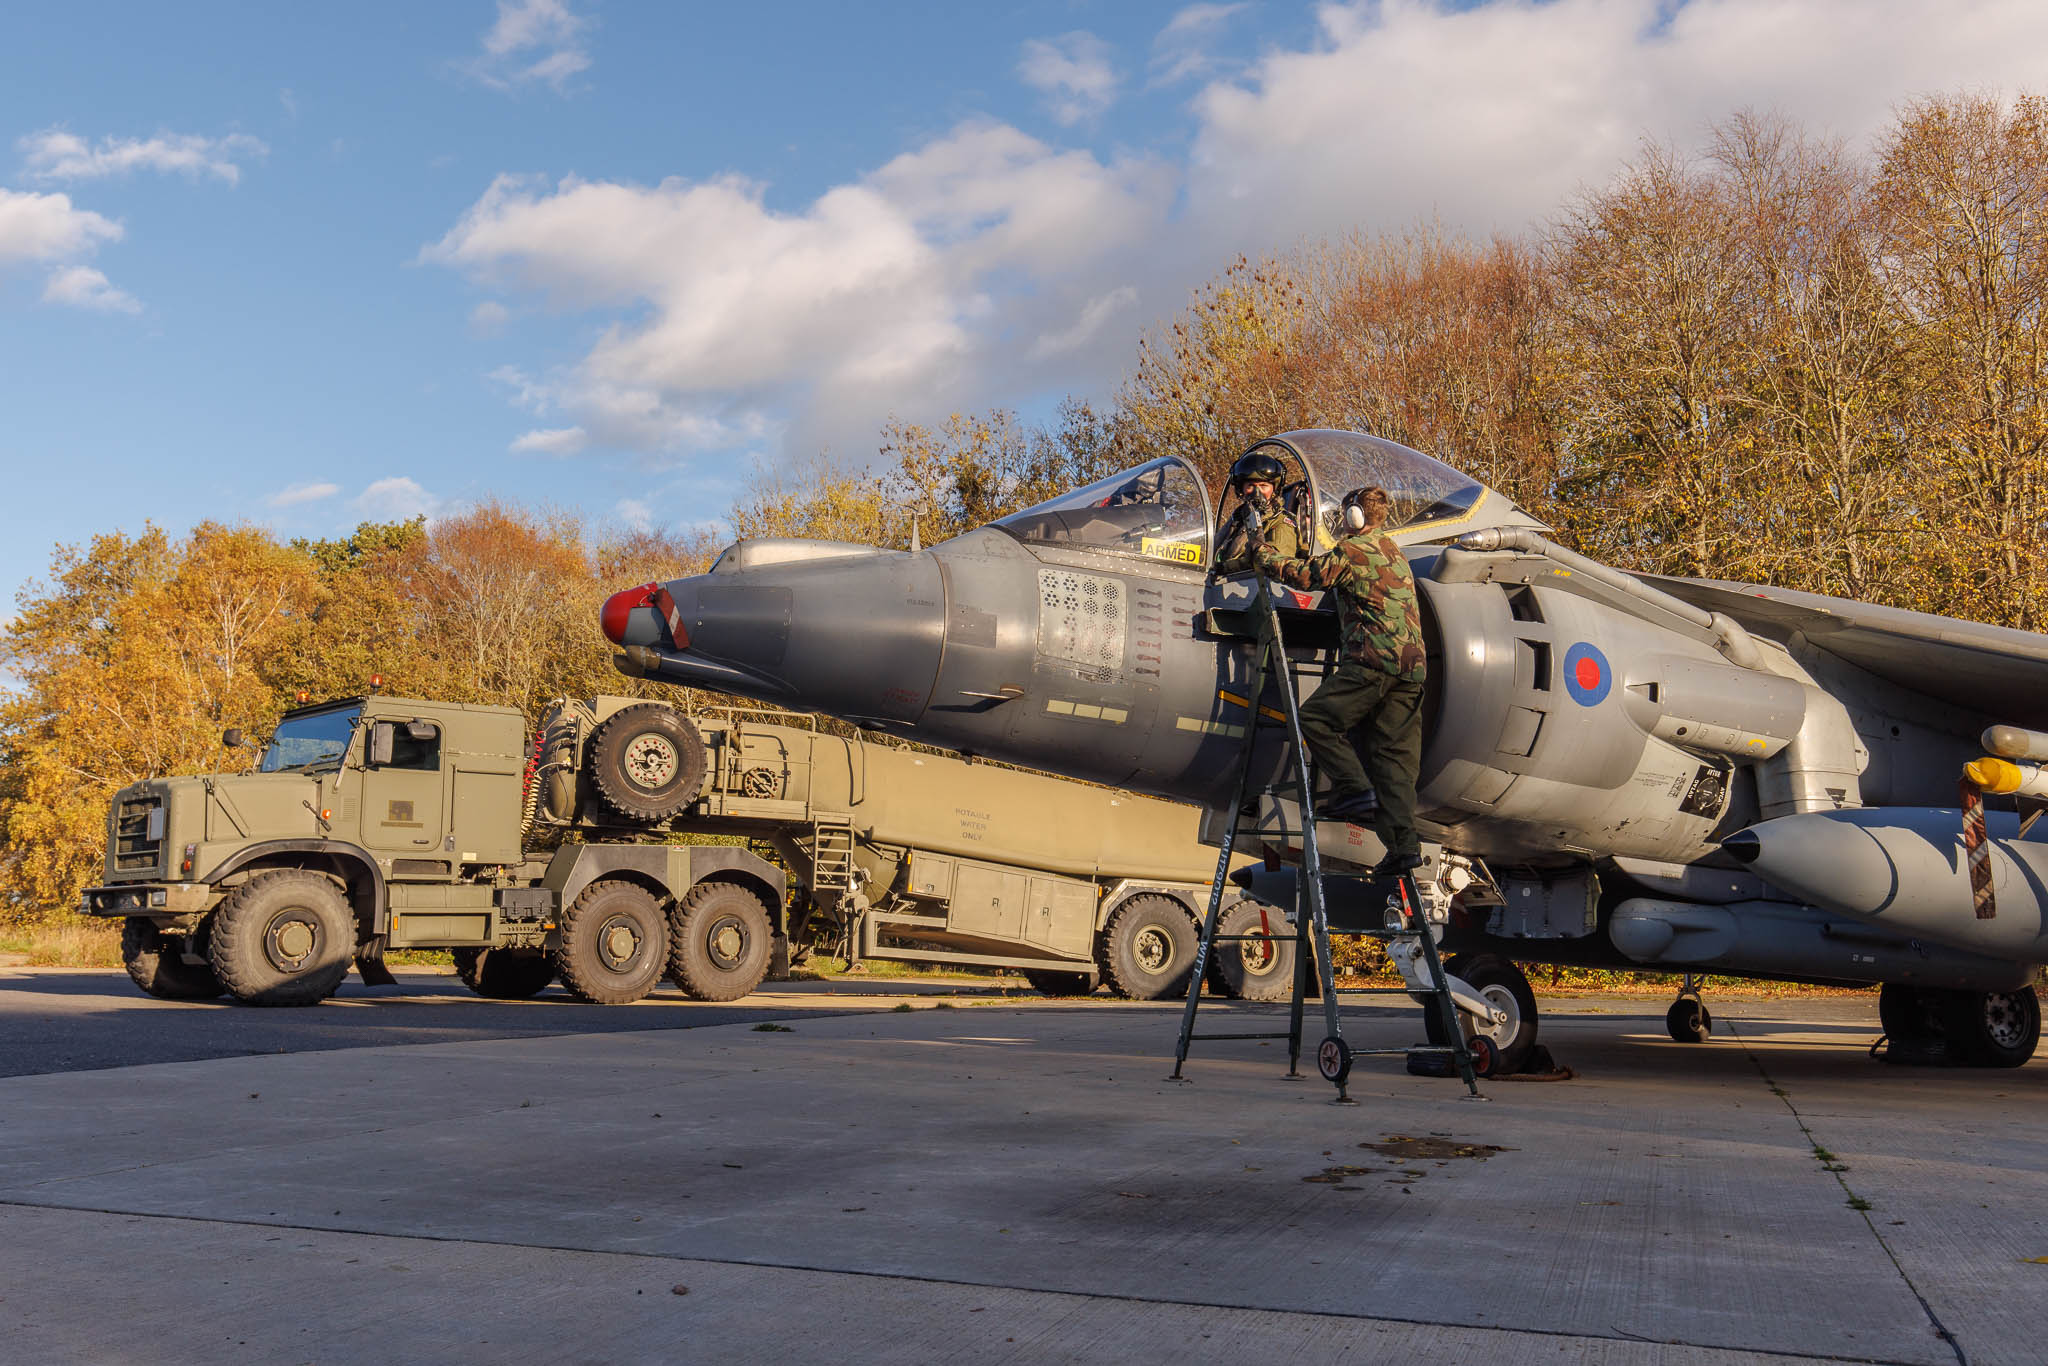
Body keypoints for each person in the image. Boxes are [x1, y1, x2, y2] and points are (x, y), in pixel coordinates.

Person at [1256, 485, 1426, 876]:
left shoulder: (1353, 551)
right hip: (1411, 672)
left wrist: (1263, 554)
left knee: (1316, 719)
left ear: (1354, 517)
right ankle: (1404, 847)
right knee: (1393, 761)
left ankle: (1352, 788)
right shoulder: (1396, 552)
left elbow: (1304, 575)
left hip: (1371, 662)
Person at [1212, 450, 1300, 575]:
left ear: (1274, 488)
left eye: (1263, 485)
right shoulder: (1237, 519)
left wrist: (1222, 568)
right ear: (1241, 488)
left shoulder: (1281, 522)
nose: (1257, 492)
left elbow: (1274, 564)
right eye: (1251, 485)